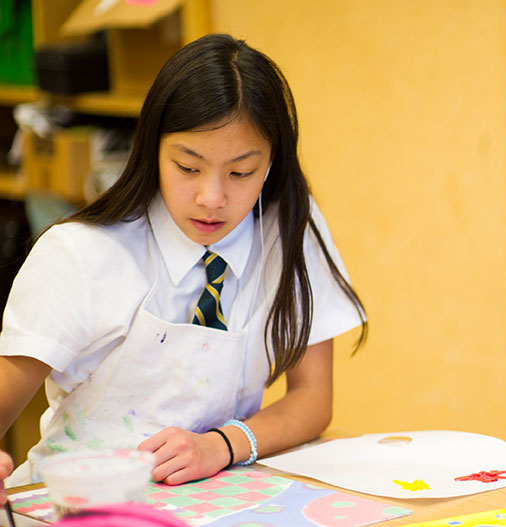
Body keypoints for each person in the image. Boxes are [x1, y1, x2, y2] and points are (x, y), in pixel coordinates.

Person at [0, 34, 366, 487]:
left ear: (272, 164)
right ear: (152, 149)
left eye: (241, 172)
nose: (211, 198)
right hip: (83, 504)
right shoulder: (82, 252)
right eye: (188, 167)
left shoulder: (288, 228)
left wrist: (221, 445)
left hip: (214, 503)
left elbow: (312, 399)